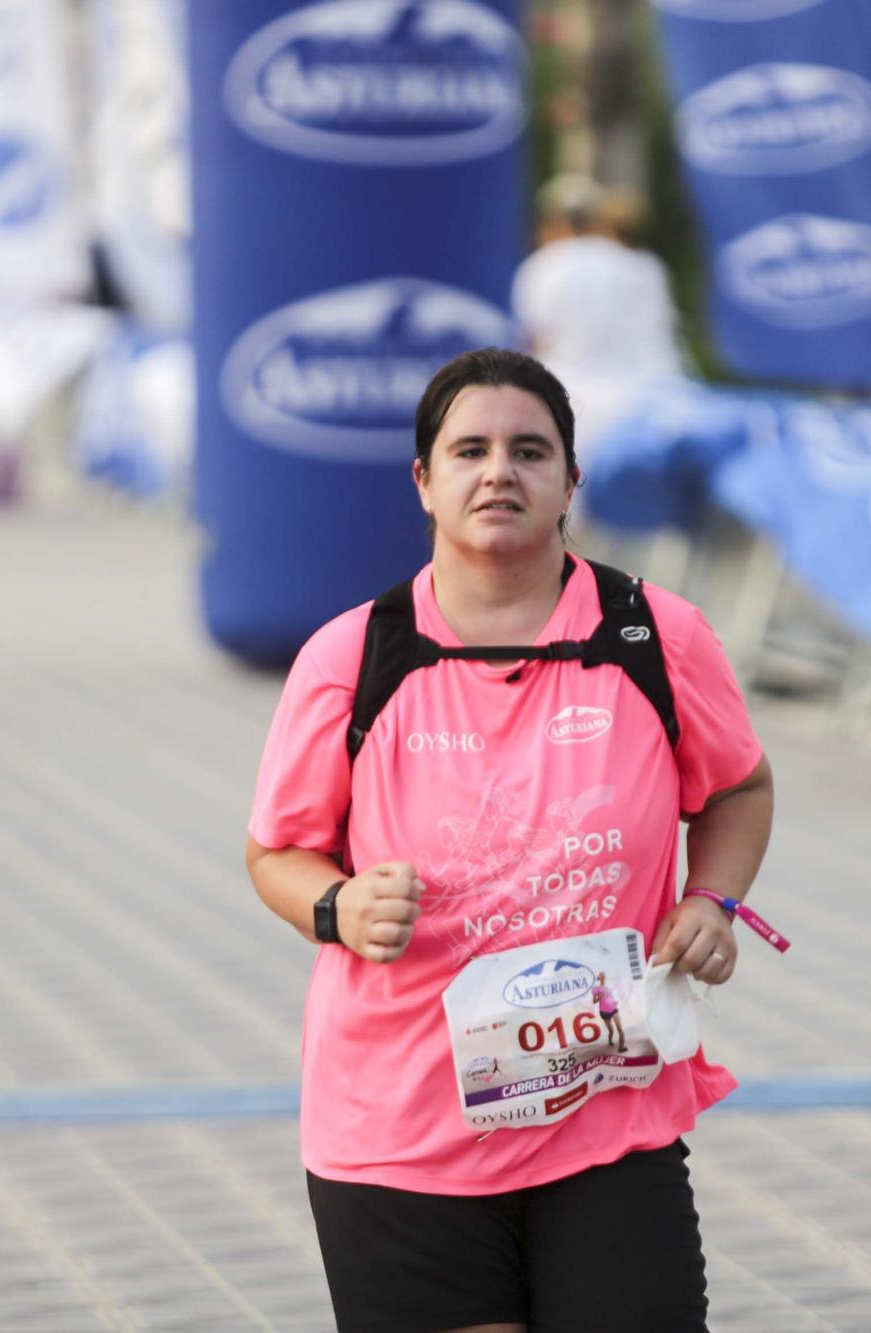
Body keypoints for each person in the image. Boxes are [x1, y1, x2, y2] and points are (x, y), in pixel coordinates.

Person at [246, 347, 775, 1333]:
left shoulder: (653, 636)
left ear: (571, 480)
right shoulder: (352, 656)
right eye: (470, 450)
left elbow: (739, 785)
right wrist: (337, 905)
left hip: (602, 1112)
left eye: (530, 451)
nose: (499, 472)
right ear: (424, 481)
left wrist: (713, 899)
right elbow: (274, 851)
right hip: (402, 1122)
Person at [510, 175, 686, 461]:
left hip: (577, 413)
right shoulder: (646, 265)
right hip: (661, 410)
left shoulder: (544, 266)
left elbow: (534, 343)